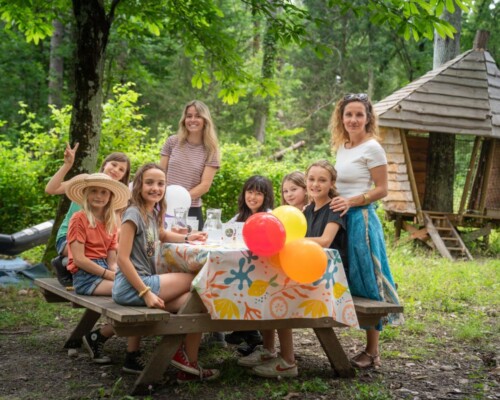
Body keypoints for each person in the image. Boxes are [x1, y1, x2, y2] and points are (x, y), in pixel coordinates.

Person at [112, 163, 219, 384]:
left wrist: (188, 237)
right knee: (196, 279)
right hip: (133, 286)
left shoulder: (151, 212)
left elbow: (160, 234)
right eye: (149, 182)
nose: (155, 188)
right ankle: (183, 358)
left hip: (141, 284)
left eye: (161, 183)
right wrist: (146, 292)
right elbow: (122, 259)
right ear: (139, 185)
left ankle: (186, 365)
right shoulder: (132, 214)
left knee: (196, 303)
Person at [330, 93, 403, 369]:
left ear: (368, 118)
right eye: (349, 114)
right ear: (341, 117)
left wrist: (351, 201)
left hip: (361, 220)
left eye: (359, 114)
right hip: (341, 220)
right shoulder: (343, 147)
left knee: (369, 279)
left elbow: (382, 189)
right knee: (349, 278)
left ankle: (373, 351)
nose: (353, 119)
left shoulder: (373, 148)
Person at [65, 173, 141, 371]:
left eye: (104, 192)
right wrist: (109, 275)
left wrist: (116, 271)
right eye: (94, 192)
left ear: (110, 197)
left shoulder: (111, 220)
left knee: (140, 286)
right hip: (86, 275)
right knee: (134, 293)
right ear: (86, 195)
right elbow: (80, 259)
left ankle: (99, 336)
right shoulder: (79, 219)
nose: (99, 196)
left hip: (106, 270)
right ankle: (101, 338)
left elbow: (112, 254)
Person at [237, 172, 308, 378]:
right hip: (271, 271)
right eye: (285, 191)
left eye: (293, 190)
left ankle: (287, 361)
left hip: (290, 275)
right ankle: (269, 350)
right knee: (267, 298)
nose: (288, 194)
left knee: (277, 300)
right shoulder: (246, 216)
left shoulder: (275, 217)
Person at [45, 143, 131, 287]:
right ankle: (65, 263)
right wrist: (67, 165)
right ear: (105, 164)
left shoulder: (114, 201)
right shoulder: (86, 180)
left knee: (115, 247)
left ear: (123, 176)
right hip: (69, 239)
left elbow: (114, 232)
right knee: (92, 255)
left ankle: (82, 269)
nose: (116, 170)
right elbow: (51, 189)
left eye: (121, 169)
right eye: (114, 165)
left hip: (96, 244)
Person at [224, 175, 275, 350]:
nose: (252, 197)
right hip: (242, 266)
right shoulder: (240, 216)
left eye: (258, 194)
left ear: (266, 197)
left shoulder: (269, 217)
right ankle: (248, 332)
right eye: (250, 192)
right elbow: (226, 233)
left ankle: (249, 331)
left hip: (262, 269)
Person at [159, 100, 220, 229]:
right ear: (184, 119)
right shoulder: (172, 142)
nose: (193, 120)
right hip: (164, 206)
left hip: (191, 210)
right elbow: (160, 173)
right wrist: (167, 200)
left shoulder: (211, 150)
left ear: (205, 120)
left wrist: (180, 201)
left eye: (198, 116)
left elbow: (205, 185)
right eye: (189, 116)